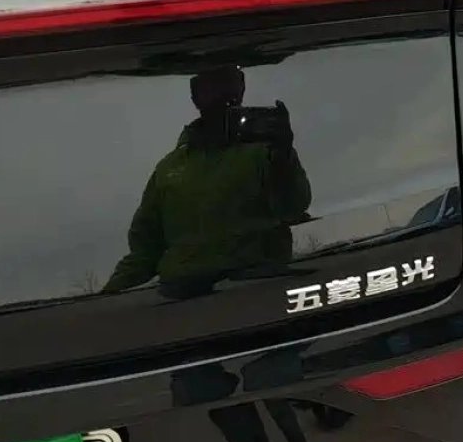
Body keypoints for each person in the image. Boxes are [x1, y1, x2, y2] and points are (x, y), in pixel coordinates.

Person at [103, 65, 312, 296]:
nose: (223, 94)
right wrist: (104, 298)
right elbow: (144, 251)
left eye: (230, 83)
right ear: (196, 96)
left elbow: (294, 207)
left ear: (241, 89)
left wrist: (283, 156)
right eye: (212, 86)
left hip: (259, 288)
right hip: (182, 297)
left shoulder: (266, 153)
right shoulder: (169, 168)